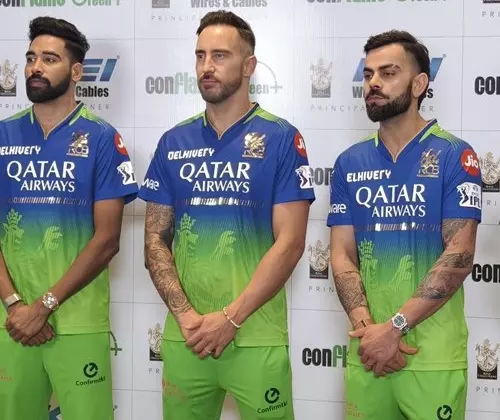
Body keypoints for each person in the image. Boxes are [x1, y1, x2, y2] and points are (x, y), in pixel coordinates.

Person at [139, 10, 314, 420]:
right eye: (200, 55)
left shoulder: (281, 138)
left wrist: (231, 319)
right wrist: (186, 317)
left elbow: (291, 243)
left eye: (220, 56)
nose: (206, 66)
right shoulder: (173, 141)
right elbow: (154, 239)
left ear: (249, 66)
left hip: (255, 335)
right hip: (186, 336)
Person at [0, 16, 138, 420]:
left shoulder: (102, 138)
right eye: (30, 58)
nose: (35, 68)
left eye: (49, 59)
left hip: (77, 324)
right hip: (13, 322)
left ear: (76, 72)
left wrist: (44, 306)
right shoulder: (1, 135)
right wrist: (16, 306)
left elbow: (107, 240)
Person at [327, 30, 480, 420]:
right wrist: (369, 331)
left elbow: (460, 255)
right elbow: (341, 254)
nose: (373, 83)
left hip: (432, 358)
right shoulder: (349, 162)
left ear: (419, 83)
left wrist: (394, 328)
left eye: (388, 73)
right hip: (368, 353)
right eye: (368, 74)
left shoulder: (454, 155)